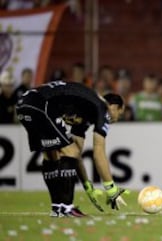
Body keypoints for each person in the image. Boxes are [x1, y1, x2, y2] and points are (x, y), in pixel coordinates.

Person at [16, 80, 128, 217]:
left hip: (23, 105)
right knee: (68, 151)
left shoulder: (84, 110)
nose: (116, 119)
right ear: (114, 107)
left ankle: (57, 208)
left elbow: (76, 153)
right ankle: (66, 208)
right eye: (119, 114)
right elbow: (98, 152)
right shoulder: (102, 108)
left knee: (51, 155)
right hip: (40, 105)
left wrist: (87, 185)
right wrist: (111, 189)